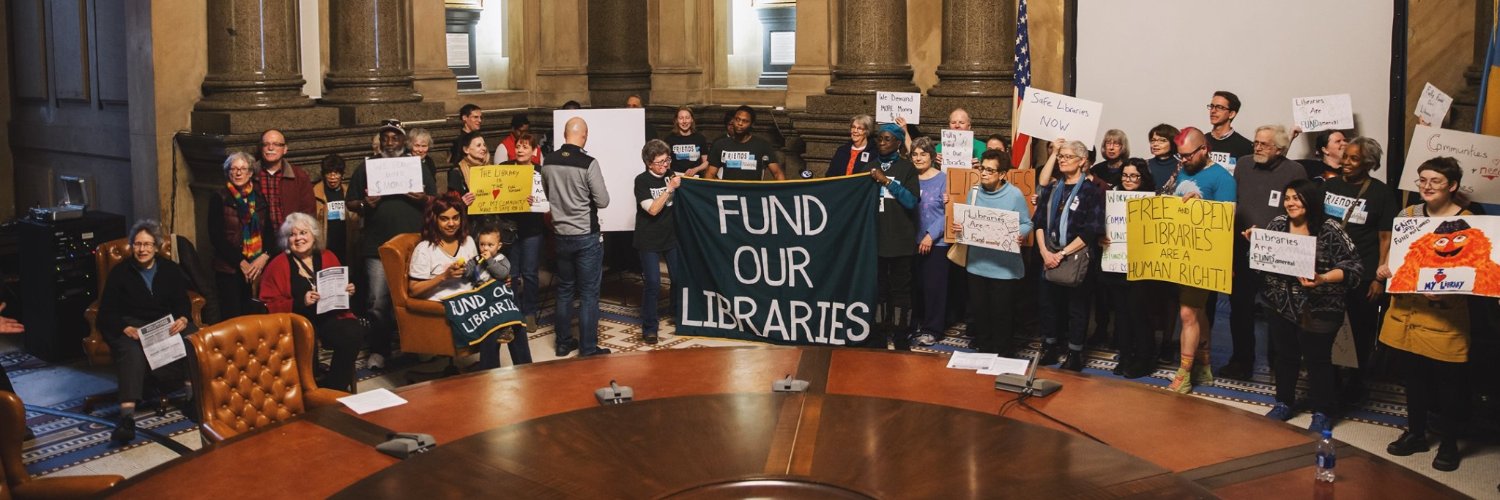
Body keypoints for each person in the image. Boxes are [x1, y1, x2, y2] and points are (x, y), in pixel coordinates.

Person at [1380, 157, 1483, 472]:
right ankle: (1416, 434)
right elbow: (1394, 255)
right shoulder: (1408, 215)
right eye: (1422, 180)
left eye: (1435, 181)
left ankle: (1449, 443)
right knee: (1414, 377)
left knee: (1449, 383)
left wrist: (1449, 290)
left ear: (1452, 185)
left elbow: (1478, 270)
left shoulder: (1470, 220)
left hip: (1445, 316)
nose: (1426, 186)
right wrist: (1385, 268)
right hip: (1406, 312)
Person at [1253, 180, 1362, 433]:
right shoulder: (1278, 224)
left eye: (1296, 198)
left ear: (1310, 200)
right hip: (1279, 304)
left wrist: (1323, 278)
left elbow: (1354, 267)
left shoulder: (1329, 229)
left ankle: (1323, 410)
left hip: (1321, 306)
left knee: (1318, 359)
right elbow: (1262, 263)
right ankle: (1283, 402)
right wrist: (1255, 244)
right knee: (1285, 356)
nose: (1290, 203)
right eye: (1287, 198)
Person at [1222, 124, 1310, 381]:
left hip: (1277, 251)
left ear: (1280, 149)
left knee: (1277, 311)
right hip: (1242, 248)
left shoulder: (1295, 170)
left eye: (1264, 144)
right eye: (1256, 142)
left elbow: (1300, 208)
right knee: (1240, 308)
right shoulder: (1243, 164)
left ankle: (1278, 364)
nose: (1257, 147)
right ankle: (1241, 361)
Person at [97, 219, 197, 445]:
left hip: (164, 324)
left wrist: (182, 318)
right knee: (131, 352)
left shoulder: (170, 269)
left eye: (147, 244)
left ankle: (192, 400)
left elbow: (182, 302)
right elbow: (107, 311)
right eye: (138, 244)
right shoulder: (120, 273)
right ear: (132, 246)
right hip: (132, 326)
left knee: (192, 339)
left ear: (156, 246)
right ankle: (127, 419)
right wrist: (124, 327)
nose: (142, 249)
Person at [348, 120, 438, 370]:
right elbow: (351, 201)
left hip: (414, 245)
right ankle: (380, 349)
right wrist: (365, 203)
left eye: (394, 137)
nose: (389, 142)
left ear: (403, 141)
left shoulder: (417, 166)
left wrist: (423, 198)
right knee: (377, 300)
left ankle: (420, 343)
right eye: (385, 138)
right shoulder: (367, 167)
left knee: (415, 296)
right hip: (377, 245)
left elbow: (435, 199)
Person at [1323, 137, 1398, 405]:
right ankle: (1330, 379)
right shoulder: (1329, 186)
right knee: (1327, 327)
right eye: (1345, 156)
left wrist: (1378, 278)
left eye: (1354, 159)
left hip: (1362, 275)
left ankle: (1356, 383)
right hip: (1328, 271)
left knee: (1359, 330)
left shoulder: (1381, 193)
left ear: (1369, 163)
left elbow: (1386, 238)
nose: (1346, 162)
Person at [258, 212, 365, 392]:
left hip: (328, 316)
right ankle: (310, 388)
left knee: (353, 331)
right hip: (296, 321)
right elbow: (267, 304)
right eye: (292, 234)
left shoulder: (328, 256)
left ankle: (334, 388)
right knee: (308, 333)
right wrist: (301, 301)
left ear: (314, 235)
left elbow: (339, 292)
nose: (298, 238)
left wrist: (347, 291)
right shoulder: (278, 264)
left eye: (303, 233)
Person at [1167, 127, 1237, 393]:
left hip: (1203, 257)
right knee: (1197, 312)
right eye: (1180, 156)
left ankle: (1184, 374)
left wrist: (1201, 206)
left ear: (1204, 149)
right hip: (1179, 254)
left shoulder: (1223, 179)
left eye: (1188, 155)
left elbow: (1226, 222)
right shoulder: (1183, 171)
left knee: (1187, 313)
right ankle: (1204, 365)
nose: (1184, 160)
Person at [1033, 139, 1106, 370]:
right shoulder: (1053, 188)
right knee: (1048, 304)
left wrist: (1062, 253)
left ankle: (1075, 353)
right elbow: (1039, 222)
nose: (1062, 160)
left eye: (1067, 156)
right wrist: (1045, 252)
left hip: (1076, 255)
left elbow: (1091, 231)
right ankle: (1050, 347)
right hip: (1048, 253)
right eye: (1060, 156)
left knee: (1077, 307)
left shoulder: (1090, 191)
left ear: (1082, 161)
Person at [542, 117, 612, 357]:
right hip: (585, 235)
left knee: (564, 289)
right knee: (589, 293)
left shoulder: (548, 161)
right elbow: (603, 201)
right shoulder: (588, 163)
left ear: (564, 135)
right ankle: (588, 349)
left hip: (560, 234)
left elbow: (548, 195)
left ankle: (563, 344)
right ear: (585, 135)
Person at [951, 150, 1032, 355]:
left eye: (990, 170)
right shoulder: (973, 192)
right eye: (982, 168)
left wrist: (1020, 234)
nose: (984, 173)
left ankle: (1003, 353)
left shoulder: (1014, 195)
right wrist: (960, 227)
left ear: (1002, 174)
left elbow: (1026, 223)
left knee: (1001, 314)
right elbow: (966, 221)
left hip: (1004, 268)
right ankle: (984, 350)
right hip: (977, 265)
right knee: (980, 312)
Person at [1099, 159, 1158, 378]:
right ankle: (1125, 356)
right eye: (1125, 175)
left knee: (1139, 313)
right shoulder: (1112, 197)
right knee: (1121, 314)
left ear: (1142, 177)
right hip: (1116, 263)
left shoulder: (1153, 200)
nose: (1129, 180)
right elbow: (1101, 224)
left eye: (1134, 176)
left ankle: (1144, 358)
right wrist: (1101, 237)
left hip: (1142, 268)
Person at [866, 123, 920, 350]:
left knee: (900, 291)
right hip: (876, 240)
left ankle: (900, 335)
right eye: (879, 138)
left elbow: (911, 201)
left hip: (901, 240)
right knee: (879, 290)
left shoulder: (907, 169)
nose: (882, 142)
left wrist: (886, 181)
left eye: (887, 139)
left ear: (898, 143)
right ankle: (879, 334)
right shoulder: (869, 167)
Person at [208, 151, 272, 320]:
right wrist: (240, 262)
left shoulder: (259, 197)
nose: (238, 173)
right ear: (228, 172)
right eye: (233, 169)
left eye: (243, 169)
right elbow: (216, 237)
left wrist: (264, 256)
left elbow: (269, 232)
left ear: (250, 173)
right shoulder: (219, 197)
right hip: (229, 269)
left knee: (254, 317)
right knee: (234, 319)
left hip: (257, 267)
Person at [633, 140, 684, 345]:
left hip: (671, 236)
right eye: (660, 162)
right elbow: (653, 210)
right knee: (653, 283)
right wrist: (669, 189)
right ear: (649, 163)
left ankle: (677, 313)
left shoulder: (671, 175)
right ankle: (650, 328)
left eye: (667, 160)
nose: (665, 165)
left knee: (678, 278)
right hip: (648, 238)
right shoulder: (641, 181)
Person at [498, 134, 547, 333]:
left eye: (525, 147)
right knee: (511, 273)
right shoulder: (504, 168)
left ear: (534, 151)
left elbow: (548, 200)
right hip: (509, 228)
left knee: (530, 273)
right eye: (518, 146)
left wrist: (536, 200)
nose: (520, 150)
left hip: (532, 229)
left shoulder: (540, 172)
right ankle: (512, 313)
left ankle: (529, 313)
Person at [471, 221, 531, 367]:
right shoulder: (477, 259)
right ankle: (490, 370)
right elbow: (470, 274)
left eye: (490, 245)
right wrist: (466, 268)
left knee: (514, 316)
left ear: (499, 246)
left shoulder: (500, 259)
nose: (485, 248)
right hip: (481, 298)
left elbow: (502, 273)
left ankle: (508, 329)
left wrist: (489, 260)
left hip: (499, 296)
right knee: (492, 326)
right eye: (482, 244)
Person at [910, 137, 948, 347]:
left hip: (936, 243)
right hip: (911, 242)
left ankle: (932, 329)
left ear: (932, 156)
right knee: (915, 287)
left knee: (934, 288)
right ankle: (914, 325)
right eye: (915, 154)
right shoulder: (909, 177)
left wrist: (930, 235)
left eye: (923, 154)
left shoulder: (944, 179)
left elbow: (948, 213)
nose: (918, 158)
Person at [255, 129, 318, 247]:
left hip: (291, 241)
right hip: (257, 242)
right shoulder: (250, 175)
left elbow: (308, 212)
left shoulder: (299, 176)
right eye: (266, 144)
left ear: (285, 149)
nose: (270, 148)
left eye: (276, 144)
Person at [705, 105, 785, 181]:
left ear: (752, 124)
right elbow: (710, 174)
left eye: (745, 121)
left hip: (753, 190)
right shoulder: (720, 145)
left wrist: (781, 190)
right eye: (737, 119)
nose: (740, 123)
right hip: (728, 190)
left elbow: (778, 174)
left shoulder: (762, 145)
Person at [314, 153, 353, 263]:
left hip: (345, 244)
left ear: (342, 174)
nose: (332, 177)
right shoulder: (316, 194)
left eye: (336, 173)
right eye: (329, 173)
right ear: (323, 175)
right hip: (325, 245)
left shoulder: (349, 193)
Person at [1205, 91, 1254, 173]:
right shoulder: (1200, 142)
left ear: (1231, 114)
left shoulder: (1246, 147)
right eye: (1212, 106)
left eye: (1219, 107)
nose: (1213, 111)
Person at [663, 107, 710, 177]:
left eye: (687, 118)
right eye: (681, 118)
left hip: (696, 177)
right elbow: (666, 162)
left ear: (692, 120)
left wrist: (696, 169)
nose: (684, 121)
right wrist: (671, 176)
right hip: (675, 177)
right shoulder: (669, 139)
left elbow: (706, 162)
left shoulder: (700, 138)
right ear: (676, 120)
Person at [449, 130, 490, 207]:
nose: (484, 148)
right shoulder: (457, 172)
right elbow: (451, 203)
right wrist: (461, 202)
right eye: (478, 145)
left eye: (484, 145)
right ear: (466, 150)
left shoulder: (490, 169)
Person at [1146, 124, 1182, 193]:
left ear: (1173, 143)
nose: (1155, 144)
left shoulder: (1182, 166)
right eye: (1153, 140)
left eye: (1162, 140)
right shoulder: (1144, 165)